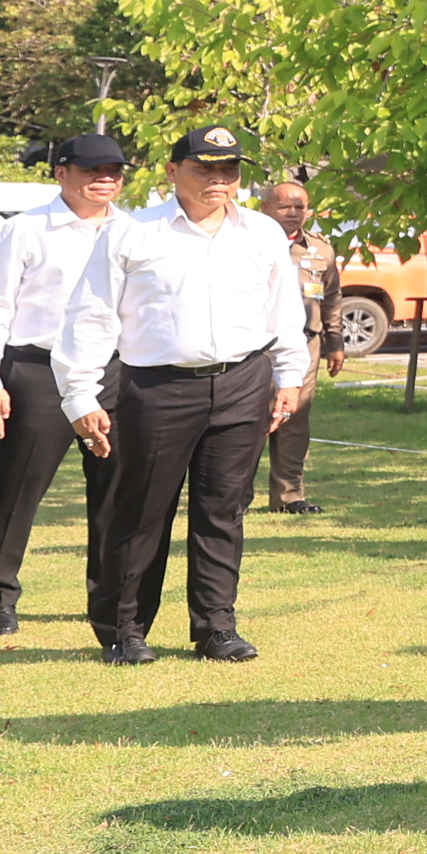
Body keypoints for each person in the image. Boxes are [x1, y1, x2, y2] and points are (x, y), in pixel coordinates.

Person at [61, 124, 312, 666]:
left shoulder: (263, 232)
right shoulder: (132, 232)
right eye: (205, 168)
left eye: (229, 170)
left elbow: (284, 315)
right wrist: (80, 396)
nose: (219, 180)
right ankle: (123, 628)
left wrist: (289, 377)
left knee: (223, 510)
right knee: (142, 511)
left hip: (244, 382)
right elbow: (91, 316)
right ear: (173, 172)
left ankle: (216, 626)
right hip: (157, 387)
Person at [0, 132, 132, 638]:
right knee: (19, 487)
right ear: (61, 174)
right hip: (38, 370)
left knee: (117, 489)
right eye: (93, 171)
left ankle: (110, 595)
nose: (106, 180)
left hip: (114, 370)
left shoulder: (136, 230)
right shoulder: (26, 230)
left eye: (115, 172)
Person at [258, 176, 344, 515]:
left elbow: (332, 297)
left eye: (300, 206)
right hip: (256, 344)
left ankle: (289, 496)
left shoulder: (319, 248)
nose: (293, 212)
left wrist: (335, 342)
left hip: (305, 343)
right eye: (284, 205)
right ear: (265, 208)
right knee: (250, 419)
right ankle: (234, 494)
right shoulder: (248, 242)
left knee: (294, 419)